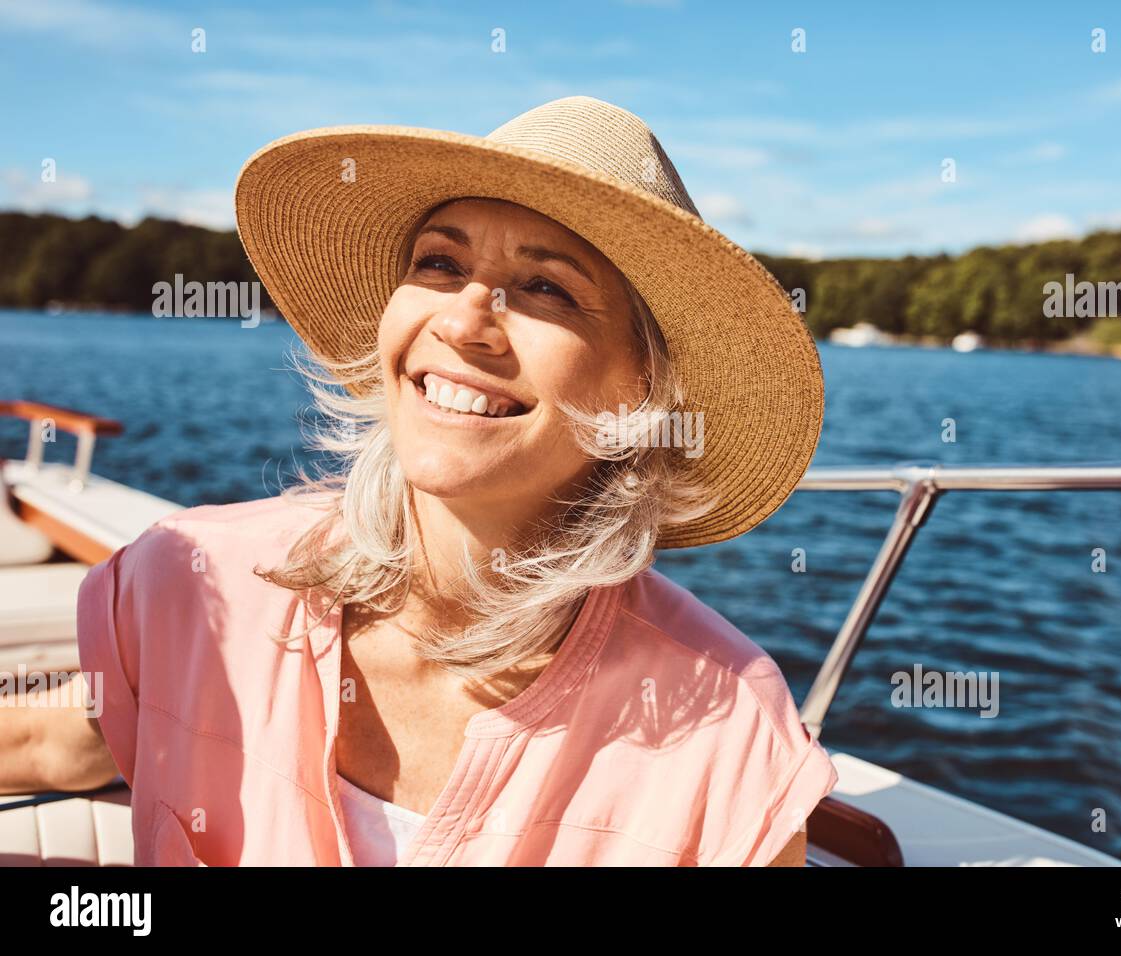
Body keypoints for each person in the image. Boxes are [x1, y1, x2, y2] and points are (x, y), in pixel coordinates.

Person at [5, 96, 835, 866]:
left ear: (639, 392)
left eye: (546, 286)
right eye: (440, 264)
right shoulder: (189, 583)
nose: (465, 318)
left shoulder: (727, 738)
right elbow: (58, 747)